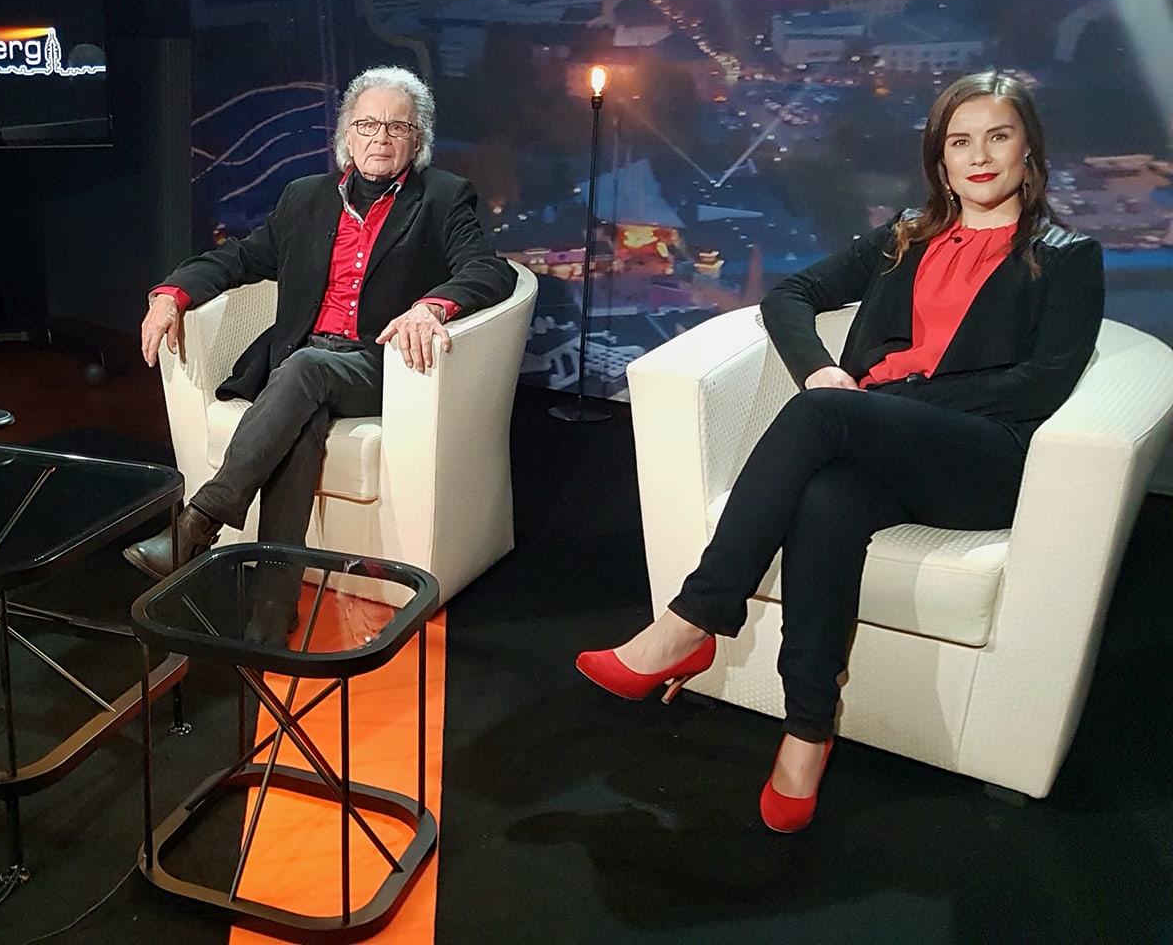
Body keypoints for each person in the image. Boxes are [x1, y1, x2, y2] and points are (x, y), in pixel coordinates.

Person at [576, 70, 1104, 831]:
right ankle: (807, 731)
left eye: (999, 137)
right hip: (879, 440)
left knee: (824, 418)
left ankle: (694, 619)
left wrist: (882, 407)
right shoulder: (905, 235)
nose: (980, 157)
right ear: (940, 158)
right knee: (828, 501)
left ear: (1029, 149)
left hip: (983, 459)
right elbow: (787, 296)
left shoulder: (1067, 255)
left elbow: (1042, 381)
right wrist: (821, 370)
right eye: (960, 142)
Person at [122, 66, 516, 640]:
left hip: (378, 365)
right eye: (369, 124)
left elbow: (489, 270)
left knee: (304, 369)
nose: (381, 138)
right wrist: (171, 294)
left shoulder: (443, 198)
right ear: (347, 135)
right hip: (303, 369)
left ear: (418, 140)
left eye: (398, 127)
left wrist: (432, 306)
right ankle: (271, 612)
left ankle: (199, 523)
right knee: (302, 418)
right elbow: (239, 258)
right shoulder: (304, 198)